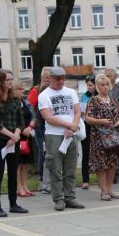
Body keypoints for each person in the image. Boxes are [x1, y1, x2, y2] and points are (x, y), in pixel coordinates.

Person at [38, 66, 85, 211]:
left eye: (63, 78)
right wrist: (70, 125)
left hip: (71, 135)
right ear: (50, 78)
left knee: (70, 169)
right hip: (54, 135)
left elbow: (77, 112)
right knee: (55, 169)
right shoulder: (44, 95)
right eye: (58, 78)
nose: (61, 81)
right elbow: (48, 117)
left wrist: (73, 127)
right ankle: (58, 199)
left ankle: (70, 197)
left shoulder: (71, 92)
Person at [0, 69, 28, 217]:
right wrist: (11, 135)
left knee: (12, 173)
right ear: (0, 81)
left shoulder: (15, 99)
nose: (10, 82)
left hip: (13, 141)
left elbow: (20, 121)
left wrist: (16, 135)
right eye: (7, 80)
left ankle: (13, 204)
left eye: (11, 79)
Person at [86, 74, 119, 201]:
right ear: (97, 87)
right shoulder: (93, 100)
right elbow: (87, 118)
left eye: (106, 84)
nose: (105, 87)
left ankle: (109, 190)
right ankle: (103, 191)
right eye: (102, 85)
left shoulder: (113, 100)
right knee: (101, 164)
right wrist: (102, 121)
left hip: (113, 136)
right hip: (99, 137)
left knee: (112, 163)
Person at [27, 67, 51, 194]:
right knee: (43, 153)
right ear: (41, 76)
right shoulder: (35, 90)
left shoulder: (53, 89)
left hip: (51, 126)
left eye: (49, 76)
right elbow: (31, 108)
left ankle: (50, 179)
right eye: (46, 76)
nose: (48, 78)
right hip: (40, 126)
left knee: (51, 153)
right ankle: (42, 179)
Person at [13, 81, 36, 197]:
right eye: (20, 89)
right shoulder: (11, 103)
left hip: (27, 135)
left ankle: (25, 186)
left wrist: (30, 126)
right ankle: (19, 187)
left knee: (26, 163)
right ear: (13, 90)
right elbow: (13, 120)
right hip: (17, 135)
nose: (23, 91)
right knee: (18, 163)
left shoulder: (25, 102)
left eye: (23, 88)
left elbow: (33, 116)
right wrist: (23, 129)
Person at [80, 75, 97, 189]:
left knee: (99, 153)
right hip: (86, 126)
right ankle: (85, 180)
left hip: (99, 127)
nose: (89, 87)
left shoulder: (101, 96)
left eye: (91, 85)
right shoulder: (84, 97)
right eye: (88, 85)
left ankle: (101, 177)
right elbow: (81, 112)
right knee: (86, 153)